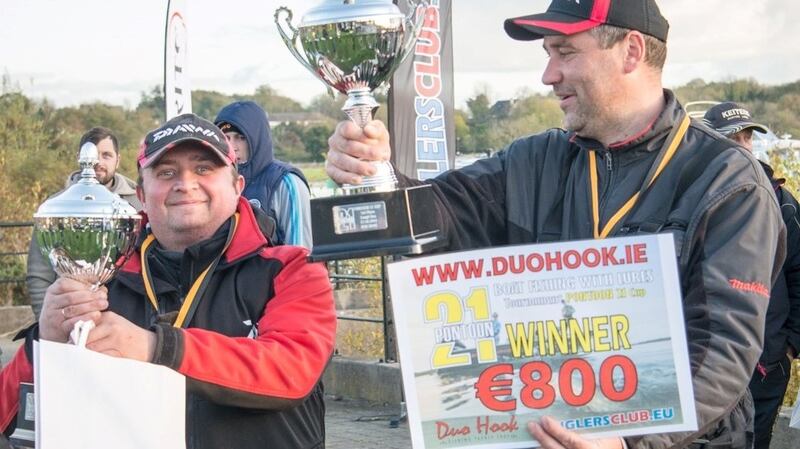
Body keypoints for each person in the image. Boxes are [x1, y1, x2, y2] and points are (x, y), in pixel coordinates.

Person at [325, 1, 785, 448]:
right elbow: (436, 214)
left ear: (631, 51)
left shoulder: (727, 180)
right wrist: (375, 171)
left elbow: (724, 347)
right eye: (548, 55)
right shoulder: (533, 161)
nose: (548, 76)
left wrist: (626, 440)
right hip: (542, 432)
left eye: (565, 52)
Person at [1, 114, 336, 449]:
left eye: (204, 168)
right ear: (142, 195)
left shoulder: (291, 270)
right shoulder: (104, 282)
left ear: (237, 187)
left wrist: (157, 348)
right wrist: (43, 344)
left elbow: (292, 370)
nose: (185, 183)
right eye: (166, 172)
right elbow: (7, 419)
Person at [704, 102, 800, 449]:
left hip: (767, 362)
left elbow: (799, 272)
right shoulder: (692, 200)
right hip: (708, 363)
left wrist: (789, 345)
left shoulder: (782, 201)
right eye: (733, 137)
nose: (742, 144)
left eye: (747, 136)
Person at [26, 127, 142, 318]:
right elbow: (39, 272)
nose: (98, 162)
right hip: (69, 314)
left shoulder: (137, 204)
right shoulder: (54, 207)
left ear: (118, 160)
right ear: (80, 158)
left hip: (127, 319)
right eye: (93, 155)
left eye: (106, 155)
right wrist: (44, 320)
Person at [214, 101, 313, 248]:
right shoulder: (214, 183)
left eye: (241, 138)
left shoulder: (286, 182)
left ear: (257, 138)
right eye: (226, 138)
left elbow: (301, 254)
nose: (233, 147)